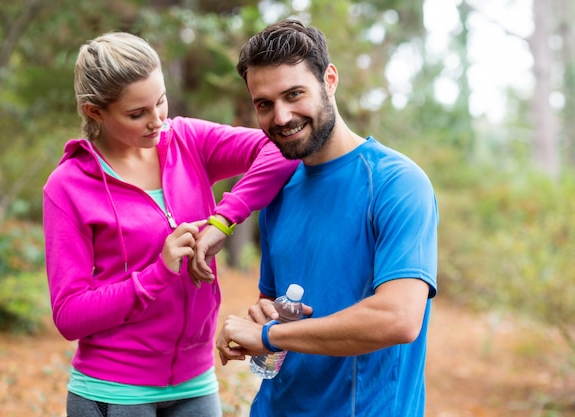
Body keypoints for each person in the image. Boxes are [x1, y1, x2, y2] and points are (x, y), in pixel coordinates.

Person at [42, 32, 298, 417]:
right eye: (136, 113)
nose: (157, 121)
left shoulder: (187, 141)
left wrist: (224, 220)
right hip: (116, 392)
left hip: (197, 384)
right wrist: (156, 274)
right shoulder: (68, 187)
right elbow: (69, 314)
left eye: (160, 101)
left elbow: (280, 148)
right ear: (94, 112)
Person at [214, 20, 439, 417]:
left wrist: (270, 334)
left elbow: (399, 317)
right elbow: (275, 301)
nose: (280, 117)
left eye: (294, 94)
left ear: (329, 79)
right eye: (264, 103)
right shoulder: (280, 188)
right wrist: (264, 315)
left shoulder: (396, 182)